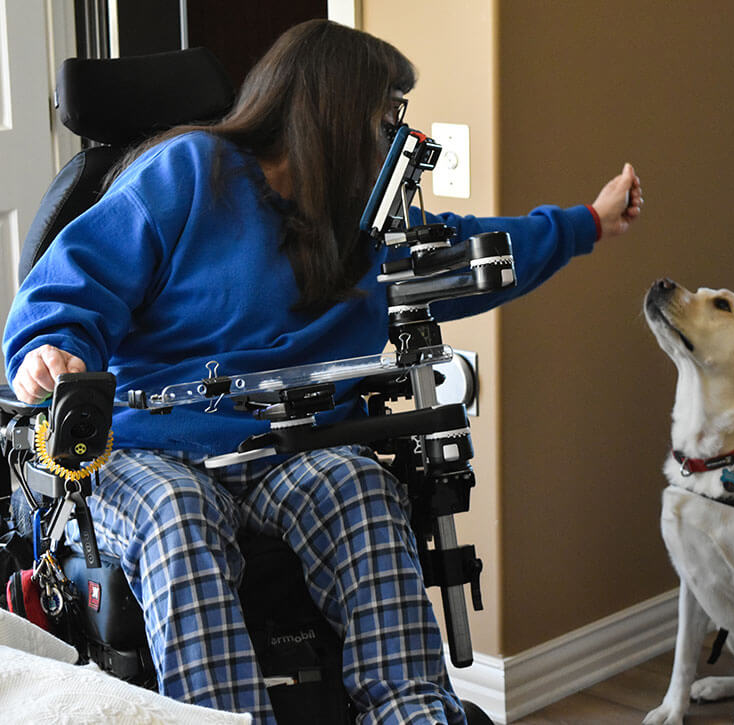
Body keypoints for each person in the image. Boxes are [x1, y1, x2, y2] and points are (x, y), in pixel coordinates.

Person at [3, 19, 642, 725]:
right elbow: (71, 287)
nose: (396, 132)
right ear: (333, 111)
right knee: (177, 512)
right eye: (386, 113)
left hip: (289, 449)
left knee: (361, 485)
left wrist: (587, 222)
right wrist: (49, 349)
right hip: (151, 447)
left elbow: (472, 255)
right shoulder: (187, 172)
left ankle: (414, 711)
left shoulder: (361, 226)